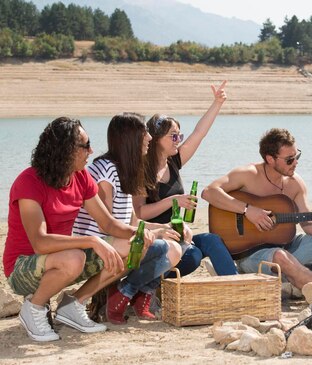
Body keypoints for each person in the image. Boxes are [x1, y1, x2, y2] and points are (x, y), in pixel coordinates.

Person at [3, 117, 154, 342]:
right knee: (75, 257)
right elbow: (40, 242)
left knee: (133, 247)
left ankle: (73, 305)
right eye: (85, 145)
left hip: (63, 260)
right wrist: (91, 240)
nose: (91, 150)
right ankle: (33, 308)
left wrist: (140, 233)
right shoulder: (28, 182)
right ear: (65, 149)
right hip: (22, 267)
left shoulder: (81, 177)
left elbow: (108, 224)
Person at [202, 128, 312, 308]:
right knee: (280, 255)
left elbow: (308, 224)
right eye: (289, 159)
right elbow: (209, 192)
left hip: (288, 248)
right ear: (270, 159)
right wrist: (248, 210)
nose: (295, 163)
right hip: (249, 256)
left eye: (297, 156)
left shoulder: (295, 183)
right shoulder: (248, 174)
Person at [72, 113, 182, 324]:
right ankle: (80, 300)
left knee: (175, 247)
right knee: (144, 245)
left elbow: (131, 222)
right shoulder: (105, 170)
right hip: (95, 245)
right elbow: (105, 225)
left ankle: (125, 295)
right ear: (130, 138)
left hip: (118, 239)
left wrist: (164, 227)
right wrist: (149, 234)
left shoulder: (125, 170)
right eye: (144, 133)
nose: (149, 138)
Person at [133, 81, 237, 277]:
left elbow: (199, 133)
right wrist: (173, 201)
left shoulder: (174, 161)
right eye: (173, 136)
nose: (178, 140)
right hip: (155, 239)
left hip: (177, 235)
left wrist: (217, 103)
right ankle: (152, 284)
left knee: (212, 240)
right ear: (156, 138)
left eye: (179, 136)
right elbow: (138, 213)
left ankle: (238, 286)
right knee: (194, 255)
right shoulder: (140, 171)